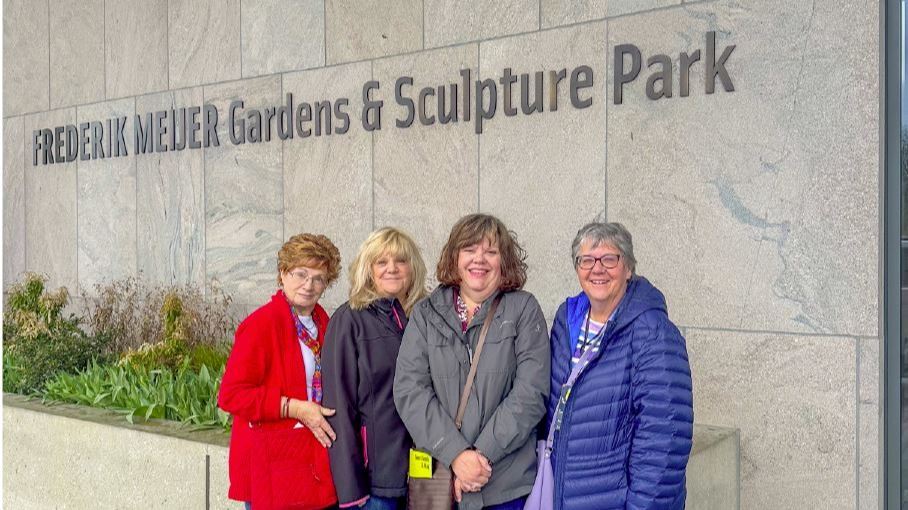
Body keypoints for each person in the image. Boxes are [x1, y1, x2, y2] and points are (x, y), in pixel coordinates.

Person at [393, 213, 550, 510]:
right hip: (440, 486)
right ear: (455, 257)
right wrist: (457, 455)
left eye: (491, 252)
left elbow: (531, 391)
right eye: (469, 250)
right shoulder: (427, 313)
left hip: (503, 484)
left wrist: (481, 457)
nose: (480, 260)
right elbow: (410, 390)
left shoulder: (523, 309)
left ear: (504, 262)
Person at [547, 222, 693, 510]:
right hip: (565, 495)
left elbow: (663, 441)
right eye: (587, 260)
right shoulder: (568, 320)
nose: (597, 269)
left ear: (628, 268)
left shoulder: (652, 331)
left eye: (609, 259)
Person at [218, 233, 342, 510]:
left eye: (318, 278)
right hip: (275, 464)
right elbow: (232, 395)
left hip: (314, 461)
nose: (308, 285)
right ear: (283, 274)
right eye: (300, 274)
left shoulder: (325, 323)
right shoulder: (261, 325)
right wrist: (294, 408)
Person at [322, 227, 429, 510]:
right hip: (374, 485)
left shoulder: (427, 318)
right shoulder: (349, 320)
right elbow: (338, 409)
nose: (392, 269)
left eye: (400, 261)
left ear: (413, 267)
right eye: (381, 262)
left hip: (427, 474)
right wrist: (351, 490)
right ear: (367, 269)